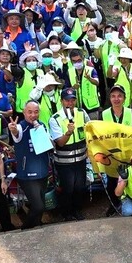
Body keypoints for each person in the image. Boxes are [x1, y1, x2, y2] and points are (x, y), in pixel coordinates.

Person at [8, 101, 51, 229]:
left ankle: (37, 227)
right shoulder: (21, 127)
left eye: (36, 112)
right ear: (24, 112)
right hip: (27, 174)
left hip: (43, 171)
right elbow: (16, 134)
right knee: (38, 206)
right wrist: (14, 130)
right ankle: (25, 228)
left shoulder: (42, 125)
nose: (33, 115)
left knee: (41, 204)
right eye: (30, 112)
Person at [52, 88, 89, 221]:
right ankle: (66, 213)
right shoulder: (55, 119)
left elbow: (89, 130)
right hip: (64, 161)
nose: (70, 103)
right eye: (67, 100)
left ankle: (77, 210)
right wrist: (68, 133)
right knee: (67, 188)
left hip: (81, 158)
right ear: (62, 101)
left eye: (73, 100)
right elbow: (60, 143)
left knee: (79, 187)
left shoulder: (81, 113)